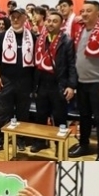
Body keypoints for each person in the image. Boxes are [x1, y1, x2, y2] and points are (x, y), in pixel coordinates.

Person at [68, 0, 99, 161]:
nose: (84, 14)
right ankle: (84, 145)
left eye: (89, 11)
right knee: (84, 117)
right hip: (82, 83)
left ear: (98, 13)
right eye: (82, 11)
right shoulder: (80, 31)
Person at [0, 7, 37, 154]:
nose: (15, 19)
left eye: (18, 17)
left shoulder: (32, 37)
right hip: (6, 80)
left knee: (23, 113)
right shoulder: (3, 36)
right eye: (13, 17)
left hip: (25, 81)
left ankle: (20, 139)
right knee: (3, 113)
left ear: (24, 18)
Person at [32, 10, 77, 154]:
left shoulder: (67, 41)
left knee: (59, 118)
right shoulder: (40, 39)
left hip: (58, 84)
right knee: (41, 115)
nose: (51, 24)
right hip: (41, 83)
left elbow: (72, 65)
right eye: (49, 21)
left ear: (61, 24)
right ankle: (40, 142)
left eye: (55, 21)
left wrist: (71, 86)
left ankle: (59, 146)